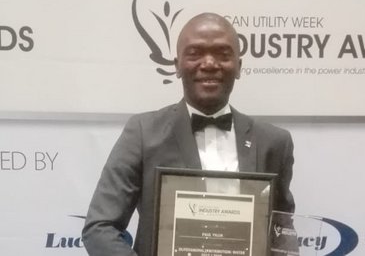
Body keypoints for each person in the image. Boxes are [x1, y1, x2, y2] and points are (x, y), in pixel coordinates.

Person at [82, 13, 295, 256]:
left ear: (238, 66)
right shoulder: (143, 133)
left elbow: (282, 235)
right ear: (177, 65)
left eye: (223, 54)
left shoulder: (274, 142)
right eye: (195, 53)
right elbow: (99, 228)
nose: (209, 63)